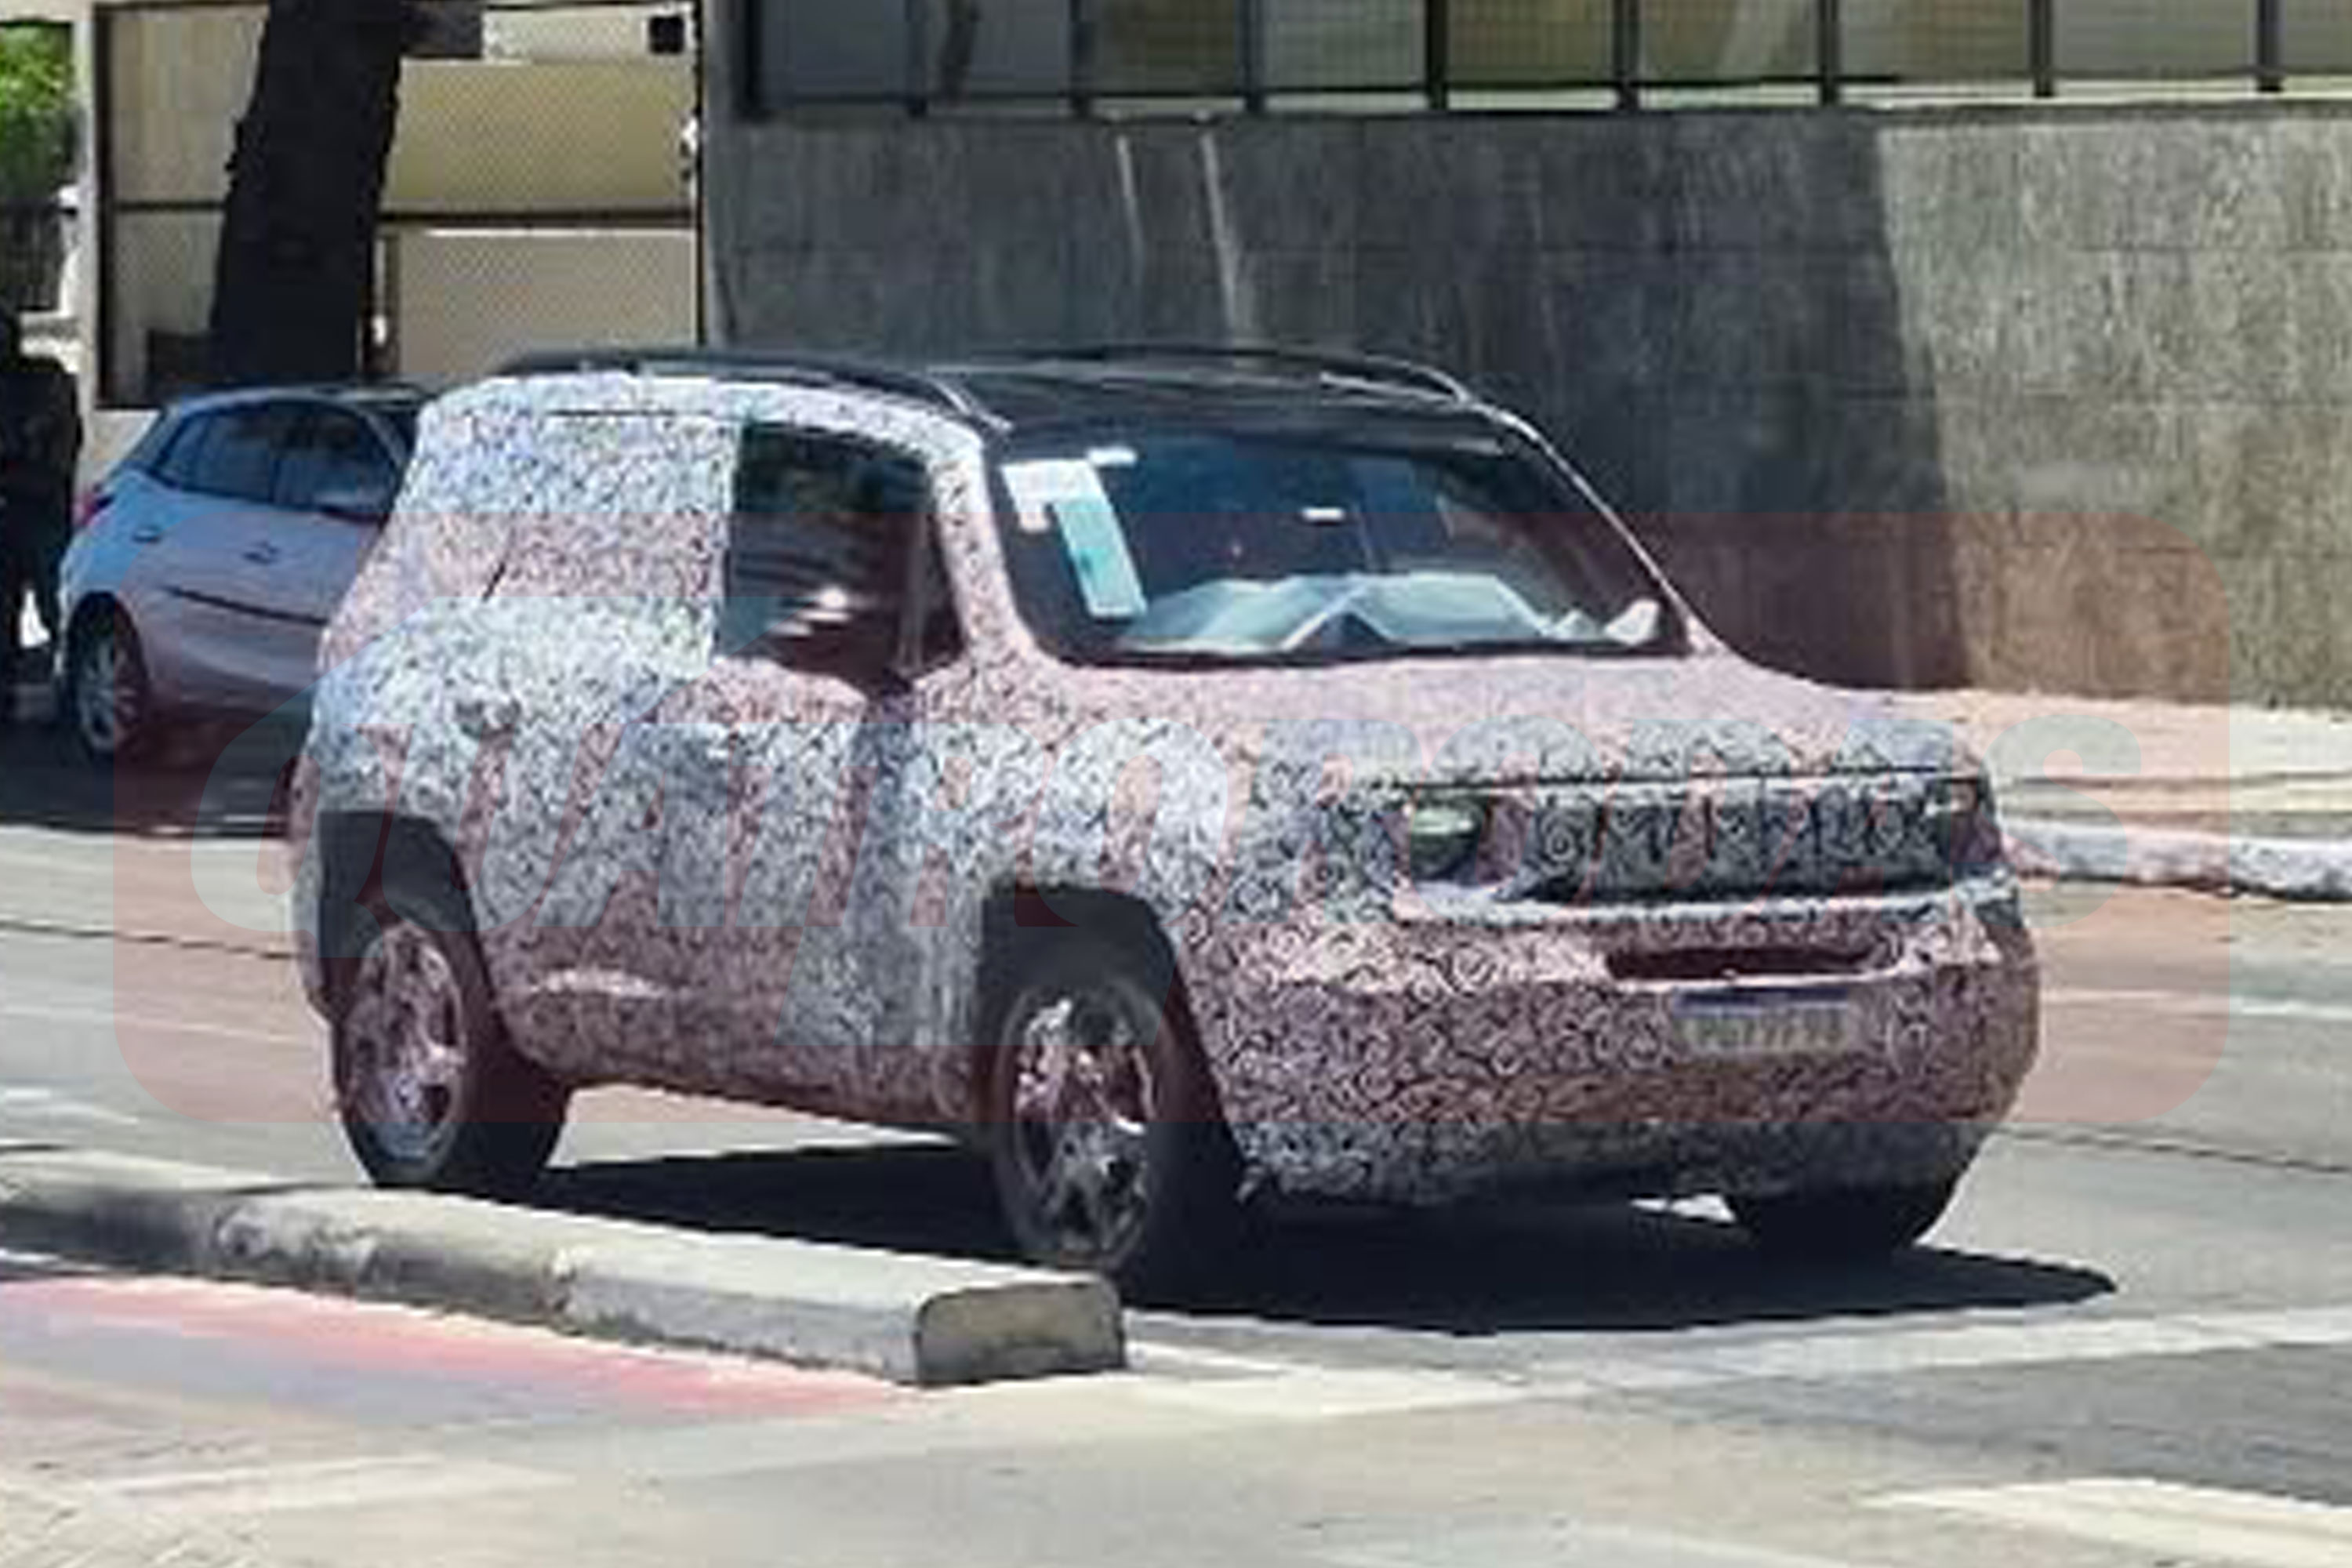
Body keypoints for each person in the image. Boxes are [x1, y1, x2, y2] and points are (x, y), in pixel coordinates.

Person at [0, 310, 81, 724]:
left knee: (58, 608)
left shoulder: (45, 381)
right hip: (9, 510)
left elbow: (58, 444)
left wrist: (28, 459)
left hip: (41, 510)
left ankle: (72, 699)